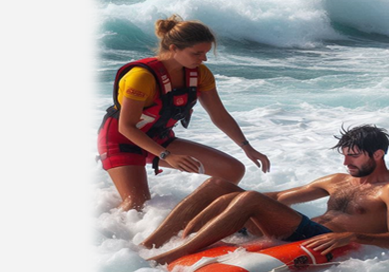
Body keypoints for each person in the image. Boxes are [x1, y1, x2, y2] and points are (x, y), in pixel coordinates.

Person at [140, 125, 389, 265]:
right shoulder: (337, 180)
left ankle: (174, 254)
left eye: (353, 157)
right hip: (288, 228)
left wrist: (351, 236)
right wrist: (233, 197)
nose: (345, 164)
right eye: (344, 156)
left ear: (378, 155)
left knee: (249, 198)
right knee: (218, 186)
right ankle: (154, 243)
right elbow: (280, 198)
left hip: (319, 239)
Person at [99, 15, 271, 212]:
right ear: (174, 49)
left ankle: (195, 215)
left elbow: (219, 115)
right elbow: (126, 126)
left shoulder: (200, 74)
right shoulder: (141, 77)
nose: (203, 59)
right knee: (137, 205)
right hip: (122, 140)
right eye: (197, 53)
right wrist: (167, 155)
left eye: (206, 53)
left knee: (232, 170)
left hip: (158, 138)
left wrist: (247, 147)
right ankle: (122, 236)